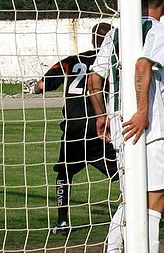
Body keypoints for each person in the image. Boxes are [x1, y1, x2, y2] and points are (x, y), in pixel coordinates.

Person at [89, 0, 164, 253]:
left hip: (120, 128)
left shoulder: (116, 34)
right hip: (149, 129)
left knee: (131, 198)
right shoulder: (160, 30)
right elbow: (143, 66)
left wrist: (102, 117)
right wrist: (142, 111)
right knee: (155, 200)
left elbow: (94, 81)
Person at [23, 23, 119, 234]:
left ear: (93, 39)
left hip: (73, 129)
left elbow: (42, 85)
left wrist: (33, 88)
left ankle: (62, 222)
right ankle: (132, 213)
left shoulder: (70, 61)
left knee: (64, 174)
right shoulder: (114, 62)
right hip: (99, 127)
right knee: (123, 172)